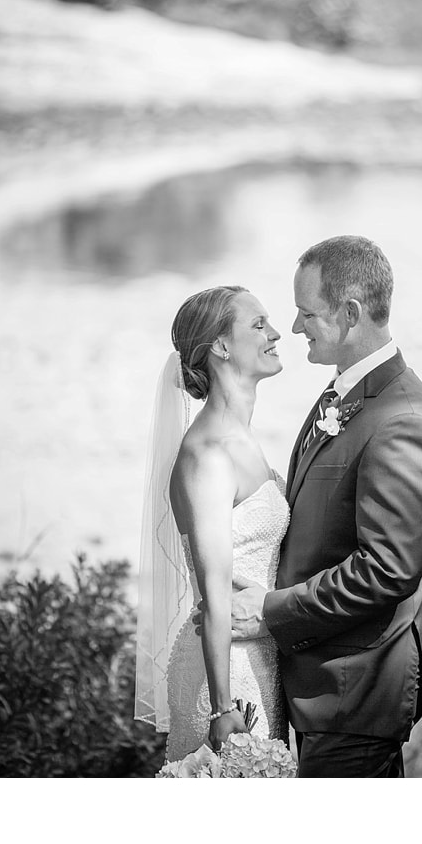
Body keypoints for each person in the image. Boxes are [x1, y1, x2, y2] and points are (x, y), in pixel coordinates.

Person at [228, 235, 422, 777]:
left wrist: (271, 609)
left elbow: (386, 571)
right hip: (323, 684)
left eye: (307, 312)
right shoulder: (348, 393)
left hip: (354, 692)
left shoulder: (402, 422)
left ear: (350, 313)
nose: (295, 326)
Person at [134, 284, 290, 759]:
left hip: (261, 656)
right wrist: (223, 709)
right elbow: (215, 590)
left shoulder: (242, 439)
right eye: (259, 325)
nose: (276, 333)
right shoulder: (207, 455)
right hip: (225, 674)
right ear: (220, 346)